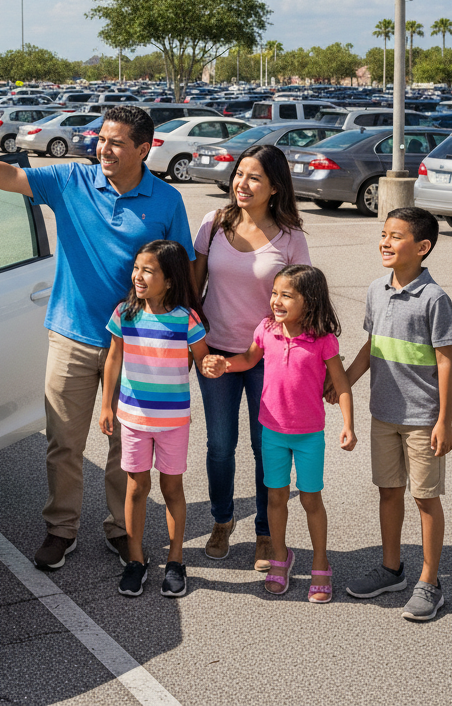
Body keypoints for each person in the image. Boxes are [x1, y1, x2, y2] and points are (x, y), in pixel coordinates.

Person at [0, 105, 194, 571]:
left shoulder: (166, 201)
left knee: (123, 445)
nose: (104, 148)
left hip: (137, 345)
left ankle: (121, 528)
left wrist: (180, 339)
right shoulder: (73, 180)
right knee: (64, 442)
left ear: (143, 149)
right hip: (72, 335)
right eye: (102, 139)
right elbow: (9, 177)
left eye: (116, 142)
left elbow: (183, 271)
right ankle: (61, 529)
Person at [202, 264, 355, 601]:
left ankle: (320, 562)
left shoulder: (322, 339)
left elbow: (341, 383)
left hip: (309, 435)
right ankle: (280, 557)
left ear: (310, 301)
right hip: (272, 431)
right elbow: (246, 358)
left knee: (312, 499)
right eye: (275, 293)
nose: (276, 300)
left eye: (287, 295)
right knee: (276, 498)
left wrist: (348, 424)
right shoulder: (266, 329)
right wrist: (224, 364)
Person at [333, 207, 452, 622]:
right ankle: (392, 569)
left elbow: (444, 362)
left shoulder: (434, 298)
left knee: (425, 499)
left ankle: (430, 582)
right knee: (389, 491)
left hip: (423, 419)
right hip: (383, 414)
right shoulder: (376, 289)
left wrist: (444, 420)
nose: (385, 242)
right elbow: (372, 346)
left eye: (396, 236)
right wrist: (344, 382)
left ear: (422, 248)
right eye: (383, 234)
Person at [190, 145, 311, 571]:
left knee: (266, 447)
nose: (242, 183)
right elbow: (193, 291)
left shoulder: (291, 237)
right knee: (220, 445)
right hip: (217, 354)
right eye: (240, 174)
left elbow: (305, 300)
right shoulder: (214, 223)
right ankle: (222, 521)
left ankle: (264, 530)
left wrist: (322, 366)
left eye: (254, 177)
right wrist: (197, 347)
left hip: (270, 359)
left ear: (275, 187)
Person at [100, 240, 209, 598]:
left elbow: (202, 360)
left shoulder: (186, 319)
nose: (138, 276)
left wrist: (217, 365)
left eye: (148, 271)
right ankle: (136, 560)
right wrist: (106, 405)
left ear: (170, 279)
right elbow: (114, 358)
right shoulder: (125, 313)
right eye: (137, 269)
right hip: (132, 418)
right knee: (135, 488)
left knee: (172, 488)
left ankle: (176, 561)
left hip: (174, 421)